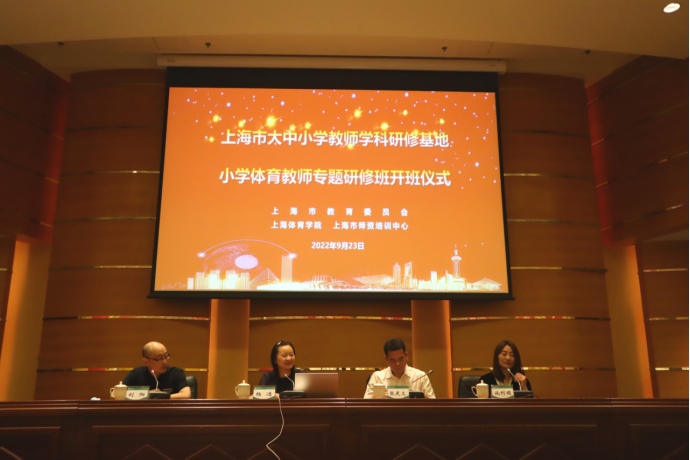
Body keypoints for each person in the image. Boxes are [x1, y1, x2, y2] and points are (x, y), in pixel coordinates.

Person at [364, 338, 436, 399]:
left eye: (401, 359)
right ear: (386, 359)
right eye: (393, 360)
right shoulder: (377, 378)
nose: (397, 363)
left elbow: (433, 404)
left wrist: (423, 399)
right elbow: (367, 405)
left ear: (406, 355)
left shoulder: (420, 377)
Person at [122, 342, 191, 399]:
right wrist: (148, 394)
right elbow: (118, 394)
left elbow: (186, 395)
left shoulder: (176, 373)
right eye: (159, 358)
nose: (165, 362)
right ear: (146, 361)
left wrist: (162, 396)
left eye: (166, 356)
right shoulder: (136, 374)